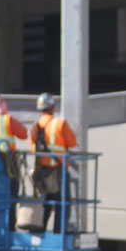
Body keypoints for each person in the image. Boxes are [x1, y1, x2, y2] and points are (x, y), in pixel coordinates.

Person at [30, 93, 78, 233]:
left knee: (46, 202)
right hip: (59, 171)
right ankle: (60, 230)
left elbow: (33, 149)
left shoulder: (35, 127)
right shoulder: (60, 123)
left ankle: (41, 228)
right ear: (52, 107)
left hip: (43, 172)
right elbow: (72, 143)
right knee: (62, 203)